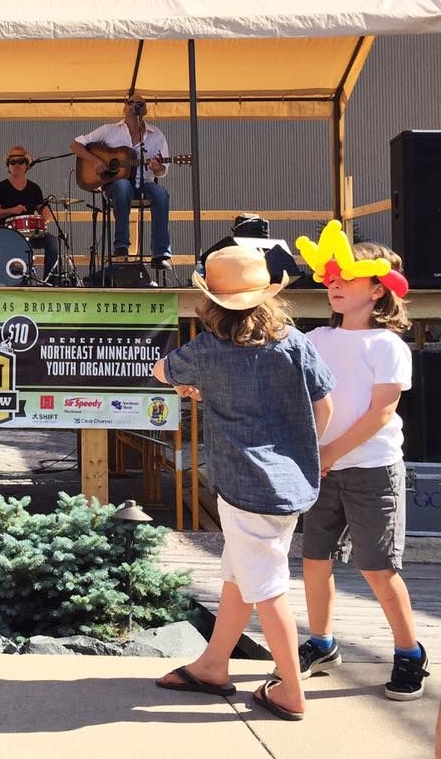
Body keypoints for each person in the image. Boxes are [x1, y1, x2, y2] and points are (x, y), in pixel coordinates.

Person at [153, 246, 334, 721]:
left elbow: (162, 370)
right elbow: (325, 406)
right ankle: (213, 665)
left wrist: (191, 386)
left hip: (243, 486)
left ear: (211, 302)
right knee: (239, 574)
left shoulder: (207, 350)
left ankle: (291, 689)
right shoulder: (294, 341)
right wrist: (305, 451)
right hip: (291, 482)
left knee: (268, 588)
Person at [296, 240, 430, 701]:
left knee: (378, 567)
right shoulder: (315, 339)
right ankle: (322, 643)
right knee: (314, 561)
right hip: (321, 469)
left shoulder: (387, 344)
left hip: (372, 471)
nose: (334, 284)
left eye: (347, 277)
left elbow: (381, 413)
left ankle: (409, 652)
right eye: (331, 276)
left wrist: (328, 454)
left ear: (377, 289)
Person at [71, 95, 172, 269]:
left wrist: (157, 169)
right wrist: (95, 161)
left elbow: (163, 171)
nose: (134, 105)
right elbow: (76, 145)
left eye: (140, 103)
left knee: (161, 193)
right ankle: (121, 245)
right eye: (130, 102)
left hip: (144, 184)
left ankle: (160, 253)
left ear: (145, 110)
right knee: (123, 185)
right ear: (124, 107)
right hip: (115, 185)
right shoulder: (109, 130)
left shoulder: (156, 135)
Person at [0, 145, 59, 281]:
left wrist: (45, 214)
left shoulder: (34, 188)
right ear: (8, 166)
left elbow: (42, 209)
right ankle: (14, 279)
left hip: (30, 233)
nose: (17, 165)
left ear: (27, 165)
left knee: (52, 241)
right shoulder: (0, 187)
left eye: (21, 161)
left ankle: (49, 283)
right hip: (7, 233)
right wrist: (12, 210)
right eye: (12, 162)